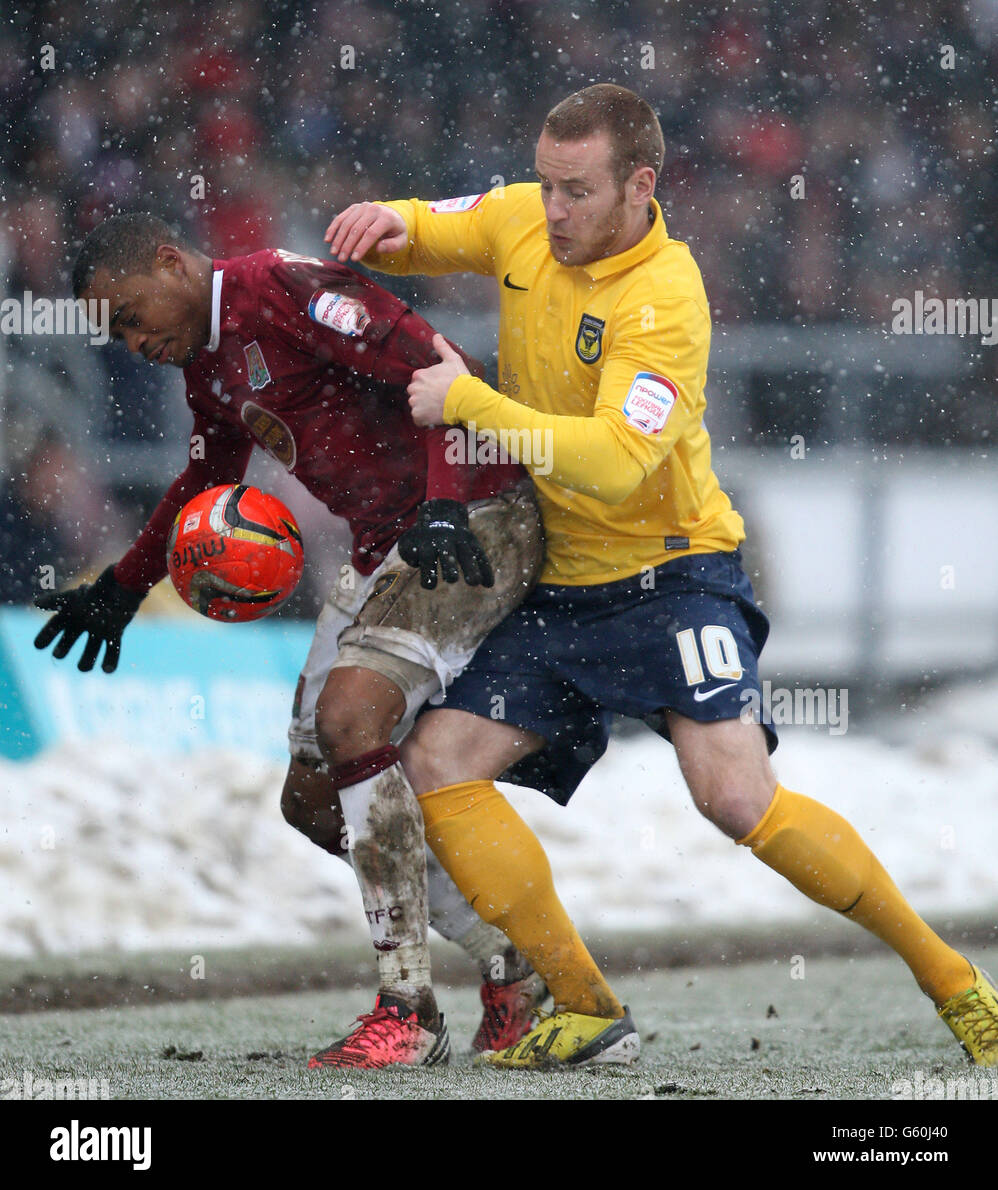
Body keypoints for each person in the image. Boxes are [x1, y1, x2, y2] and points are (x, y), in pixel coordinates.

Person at [324, 81, 998, 1070]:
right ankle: (588, 1006)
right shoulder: (525, 218)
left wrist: (470, 401)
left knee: (733, 799)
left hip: (676, 577)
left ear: (639, 185)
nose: (552, 210)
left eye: (577, 192)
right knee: (438, 759)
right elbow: (432, 229)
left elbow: (611, 459)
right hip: (561, 591)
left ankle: (954, 983)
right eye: (546, 185)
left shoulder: (665, 296)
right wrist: (386, 221)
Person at [32, 211, 580, 1070]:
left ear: (173, 263)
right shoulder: (207, 366)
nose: (131, 340)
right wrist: (124, 584)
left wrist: (443, 499)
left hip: (472, 519)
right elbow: (209, 476)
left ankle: (409, 1009)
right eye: (115, 332)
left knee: (352, 719)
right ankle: (512, 966)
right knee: (312, 801)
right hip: (385, 546)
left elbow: (437, 363)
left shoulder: (281, 291)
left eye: (130, 315)